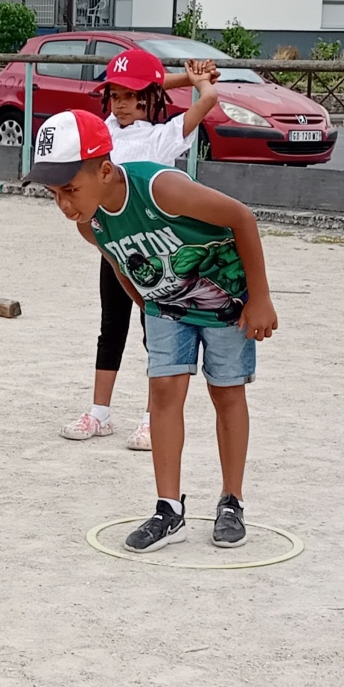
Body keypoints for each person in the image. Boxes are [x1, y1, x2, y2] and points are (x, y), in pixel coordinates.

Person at [25, 110, 278, 553]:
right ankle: (168, 509)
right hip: (166, 306)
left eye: (70, 189)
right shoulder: (90, 224)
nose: (64, 205)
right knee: (163, 393)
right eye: (53, 194)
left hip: (225, 298)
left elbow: (241, 218)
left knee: (226, 393)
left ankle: (232, 502)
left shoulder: (160, 188)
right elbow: (118, 263)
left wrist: (260, 298)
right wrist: (147, 305)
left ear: (105, 170)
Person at [60, 49, 220, 452]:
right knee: (111, 326)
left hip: (155, 254)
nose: (121, 104)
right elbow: (144, 86)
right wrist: (172, 78)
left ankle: (153, 418)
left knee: (157, 333)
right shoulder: (106, 131)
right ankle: (99, 412)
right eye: (115, 96)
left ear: (149, 98)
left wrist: (198, 81)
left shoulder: (161, 137)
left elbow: (208, 100)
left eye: (131, 97)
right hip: (115, 247)